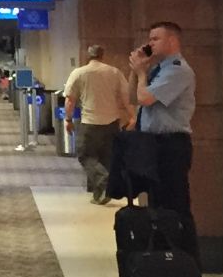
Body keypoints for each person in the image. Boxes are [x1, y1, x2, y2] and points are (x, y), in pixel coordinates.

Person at [129, 22, 199, 260]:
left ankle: (185, 259)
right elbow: (134, 97)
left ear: (172, 41)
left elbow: (146, 98)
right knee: (156, 204)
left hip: (171, 145)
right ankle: (163, 257)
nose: (149, 44)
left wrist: (140, 73)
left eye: (155, 39)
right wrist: (136, 70)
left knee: (175, 203)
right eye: (149, 39)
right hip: (153, 144)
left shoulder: (177, 70)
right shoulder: (157, 70)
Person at [63, 45, 134, 205]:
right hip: (112, 122)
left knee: (86, 155)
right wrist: (132, 116)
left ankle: (104, 182)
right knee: (106, 158)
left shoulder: (79, 73)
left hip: (90, 122)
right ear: (103, 55)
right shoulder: (114, 72)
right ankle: (99, 195)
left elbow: (70, 100)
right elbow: (126, 96)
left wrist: (67, 119)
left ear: (88, 56)